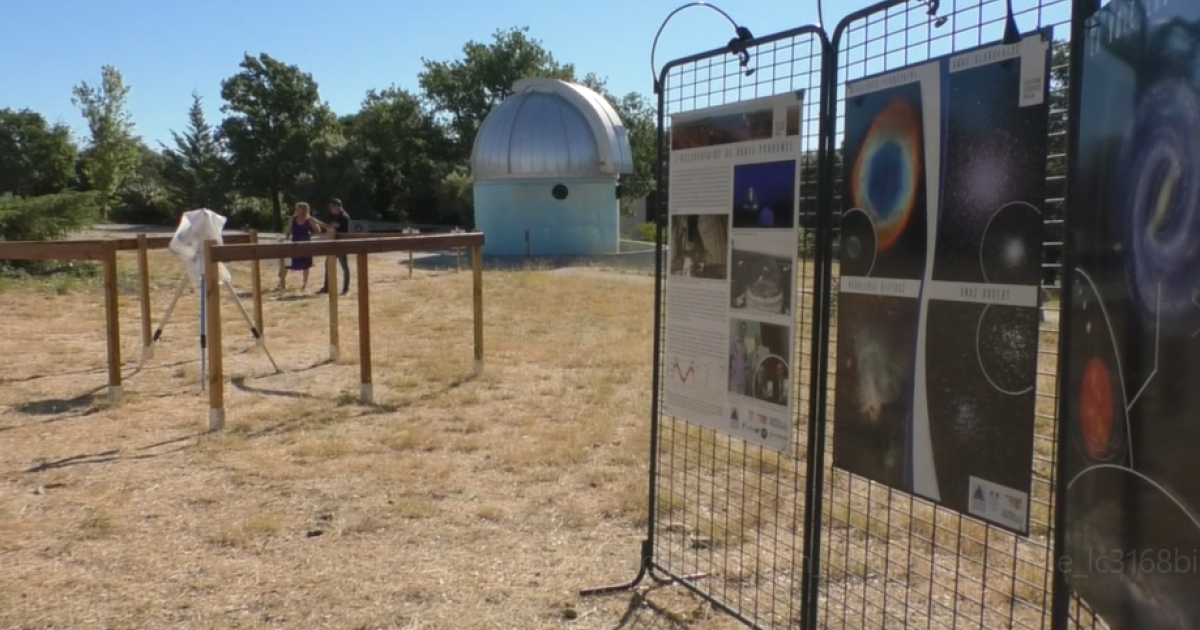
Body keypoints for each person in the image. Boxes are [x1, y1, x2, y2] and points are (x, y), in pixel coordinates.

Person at [280, 202, 325, 292]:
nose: (299, 211)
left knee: (306, 265)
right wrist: (286, 239)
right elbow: (288, 231)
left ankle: (304, 285)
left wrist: (309, 236)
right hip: (294, 244)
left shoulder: (310, 220)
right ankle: (282, 283)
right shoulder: (293, 219)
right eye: (298, 209)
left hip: (306, 245)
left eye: (301, 209)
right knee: (287, 264)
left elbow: (318, 230)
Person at [317, 198, 352, 295]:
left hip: (341, 245)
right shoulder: (338, 216)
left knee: (344, 267)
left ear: (337, 206)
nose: (330, 209)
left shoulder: (343, 216)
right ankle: (326, 288)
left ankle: (345, 289)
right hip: (335, 244)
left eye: (332, 207)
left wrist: (316, 222)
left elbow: (330, 227)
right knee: (328, 264)